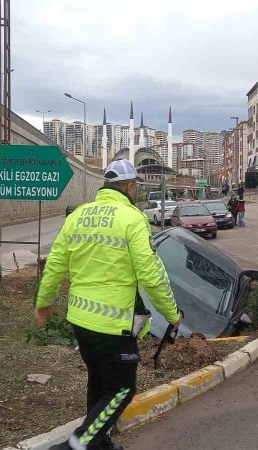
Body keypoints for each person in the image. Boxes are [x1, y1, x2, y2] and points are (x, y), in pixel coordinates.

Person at [36, 159, 181, 450]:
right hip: (113, 325)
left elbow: (55, 264)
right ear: (129, 187)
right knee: (121, 390)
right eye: (135, 186)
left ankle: (99, 444)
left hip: (81, 321)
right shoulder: (132, 217)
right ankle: (77, 445)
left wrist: (44, 301)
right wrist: (172, 313)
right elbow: (152, 275)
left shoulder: (77, 215)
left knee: (100, 383)